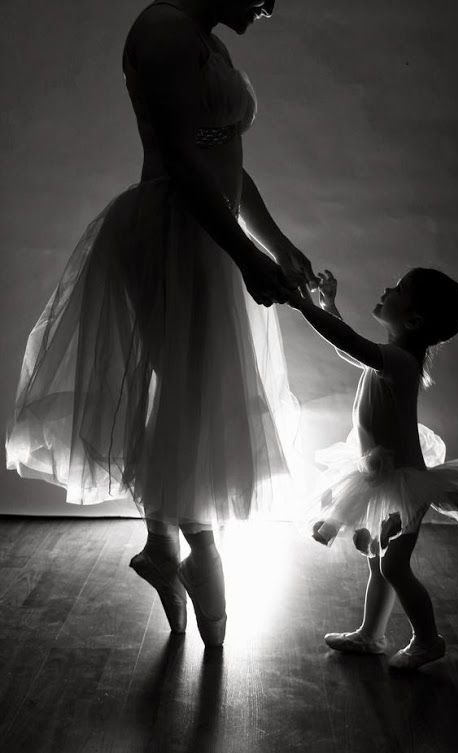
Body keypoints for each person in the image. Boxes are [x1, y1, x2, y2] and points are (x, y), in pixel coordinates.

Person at [5, 0, 316, 648]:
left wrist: (277, 246)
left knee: (194, 390)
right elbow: (180, 160)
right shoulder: (164, 32)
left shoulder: (207, 40)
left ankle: (166, 545)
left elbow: (226, 164)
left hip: (208, 232)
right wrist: (246, 255)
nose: (269, 4)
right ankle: (192, 546)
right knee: (188, 391)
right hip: (174, 232)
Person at [288, 268, 458, 669]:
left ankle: (428, 639)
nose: (387, 288)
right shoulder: (390, 358)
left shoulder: (401, 362)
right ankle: (370, 635)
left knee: (393, 565)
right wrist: (326, 304)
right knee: (378, 561)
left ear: (414, 320)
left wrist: (301, 304)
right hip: (380, 479)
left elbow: (347, 341)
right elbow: (348, 348)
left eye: (399, 288)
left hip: (404, 485)